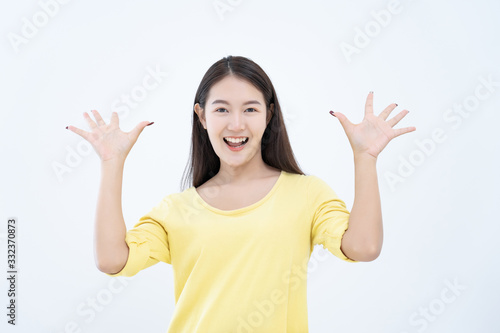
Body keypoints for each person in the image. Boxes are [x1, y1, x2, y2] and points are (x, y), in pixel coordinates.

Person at [66, 55, 416, 332]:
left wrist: (365, 158)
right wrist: (112, 164)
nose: (236, 124)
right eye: (221, 109)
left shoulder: (306, 194)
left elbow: (365, 248)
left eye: (250, 108)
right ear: (201, 117)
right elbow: (111, 260)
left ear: (269, 115)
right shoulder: (177, 210)